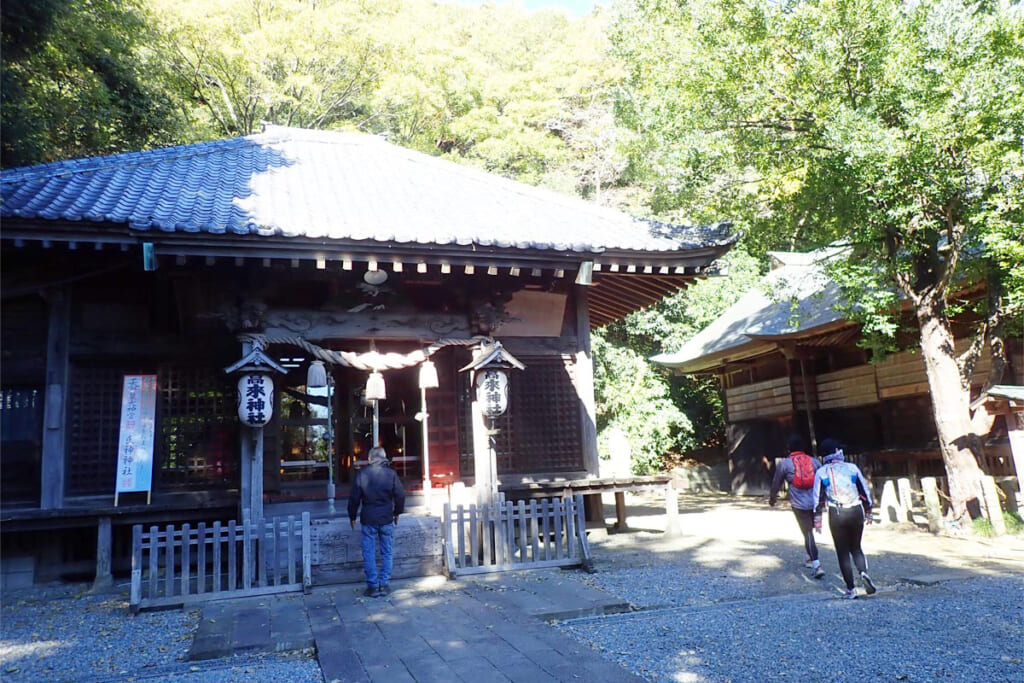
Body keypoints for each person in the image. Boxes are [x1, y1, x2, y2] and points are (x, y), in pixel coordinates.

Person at [813, 438, 876, 599]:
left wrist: (817, 518)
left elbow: (817, 498)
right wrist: (869, 509)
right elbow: (864, 491)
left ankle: (851, 589)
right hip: (856, 510)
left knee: (842, 552)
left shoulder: (822, 472)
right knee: (856, 547)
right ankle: (863, 573)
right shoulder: (852, 468)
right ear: (836, 452)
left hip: (837, 513)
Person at [348, 446, 406, 597]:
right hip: (386, 517)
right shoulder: (391, 474)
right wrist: (397, 512)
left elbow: (354, 498)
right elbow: (400, 495)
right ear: (384, 458)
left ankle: (372, 586)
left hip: (368, 518)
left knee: (368, 552)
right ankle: (384, 584)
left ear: (369, 458)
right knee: (387, 552)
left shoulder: (362, 474)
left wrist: (352, 516)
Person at [769, 435, 825, 578]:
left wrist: (772, 498)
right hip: (815, 501)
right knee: (810, 531)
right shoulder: (814, 461)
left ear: (789, 448)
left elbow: (777, 482)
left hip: (799, 504)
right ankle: (808, 556)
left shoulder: (785, 463)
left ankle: (816, 564)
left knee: (807, 533)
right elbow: (823, 480)